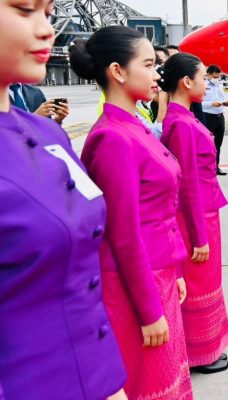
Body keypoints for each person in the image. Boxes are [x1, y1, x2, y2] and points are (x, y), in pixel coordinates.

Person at [0, 2, 127, 398]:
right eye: (24, 10)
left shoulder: (49, 134)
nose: (46, 30)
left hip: (96, 373)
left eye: (50, 14)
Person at [71, 26, 193, 399]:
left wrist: (176, 271)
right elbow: (122, 233)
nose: (158, 73)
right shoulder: (113, 138)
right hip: (134, 286)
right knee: (150, 384)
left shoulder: (133, 127)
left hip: (159, 272)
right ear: (118, 72)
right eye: (149, 64)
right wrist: (147, 309)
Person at [160, 53, 228, 374]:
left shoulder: (185, 118)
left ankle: (208, 345)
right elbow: (186, 184)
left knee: (208, 281)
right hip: (195, 219)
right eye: (203, 77)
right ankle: (200, 351)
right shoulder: (180, 124)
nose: (208, 82)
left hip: (204, 212)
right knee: (199, 283)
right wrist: (199, 237)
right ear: (186, 82)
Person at [203, 64, 228, 176]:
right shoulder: (203, 85)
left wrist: (225, 102)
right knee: (208, 144)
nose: (217, 79)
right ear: (208, 75)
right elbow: (198, 104)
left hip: (220, 117)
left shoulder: (219, 85)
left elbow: (222, 98)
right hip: (208, 117)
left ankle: (216, 167)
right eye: (215, 77)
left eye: (218, 77)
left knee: (218, 144)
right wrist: (211, 104)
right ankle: (207, 168)